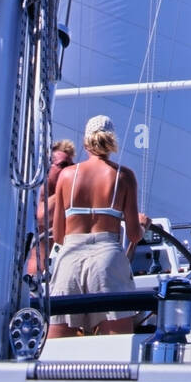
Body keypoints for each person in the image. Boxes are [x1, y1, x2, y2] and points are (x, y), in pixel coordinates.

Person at [47, 115, 143, 337]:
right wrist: (142, 226)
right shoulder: (124, 176)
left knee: (58, 347)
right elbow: (134, 235)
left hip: (70, 257)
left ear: (85, 142)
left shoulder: (67, 175)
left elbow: (59, 236)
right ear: (111, 141)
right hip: (107, 260)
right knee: (117, 348)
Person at [25, 139, 75, 280]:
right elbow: (42, 216)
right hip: (36, 278)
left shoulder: (67, 197)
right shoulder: (38, 196)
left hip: (59, 275)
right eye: (63, 165)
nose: (69, 170)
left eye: (72, 166)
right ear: (47, 168)